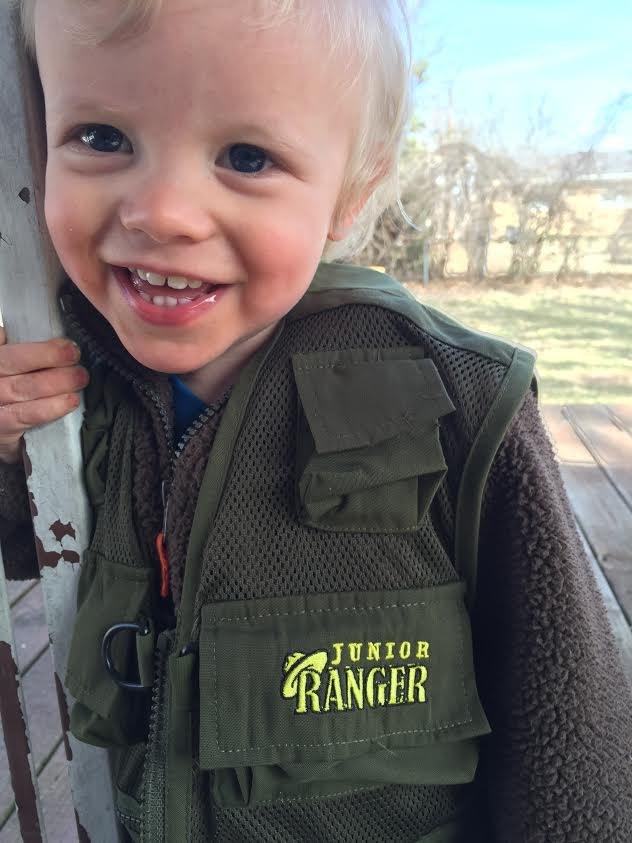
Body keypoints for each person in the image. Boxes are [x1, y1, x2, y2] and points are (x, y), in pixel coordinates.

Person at [1, 1, 631, 841]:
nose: (161, 211)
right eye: (102, 137)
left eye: (247, 156)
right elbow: (40, 548)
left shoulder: (456, 395)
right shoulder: (82, 380)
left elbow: (570, 728)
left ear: (351, 194)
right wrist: (13, 451)